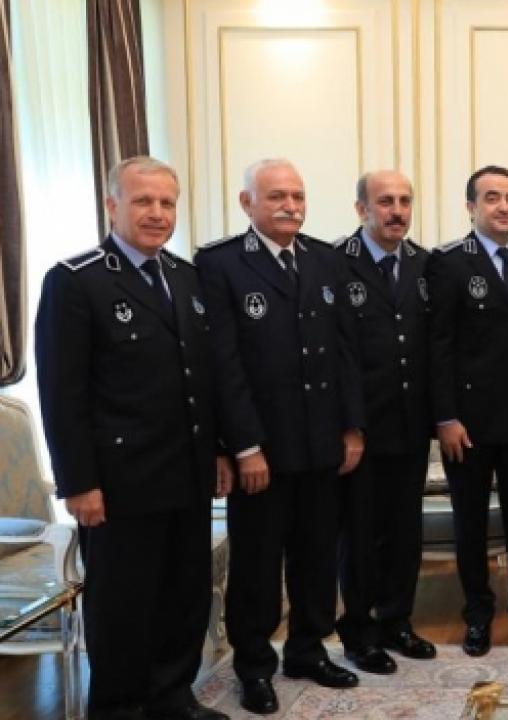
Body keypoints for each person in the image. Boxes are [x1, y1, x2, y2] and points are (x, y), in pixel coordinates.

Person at [34, 156, 231, 720]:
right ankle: (119, 708)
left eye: (167, 203)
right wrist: (78, 482)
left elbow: (203, 377)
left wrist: (218, 450)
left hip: (186, 473)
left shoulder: (185, 277)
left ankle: (172, 698)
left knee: (183, 596)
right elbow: (62, 393)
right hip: (120, 483)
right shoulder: (77, 280)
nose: (157, 213)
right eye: (143, 201)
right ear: (112, 205)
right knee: (122, 606)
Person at [195, 158, 366, 715]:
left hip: (321, 444)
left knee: (317, 558)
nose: (290, 206)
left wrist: (351, 427)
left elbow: (344, 351)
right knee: (258, 566)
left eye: (297, 195)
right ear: (247, 203)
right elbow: (223, 365)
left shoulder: (324, 259)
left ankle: (308, 651)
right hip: (262, 450)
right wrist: (243, 446)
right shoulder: (220, 265)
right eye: (276, 197)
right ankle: (253, 666)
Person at [427, 165, 508, 656]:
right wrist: (445, 417)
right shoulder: (448, 264)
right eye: (493, 197)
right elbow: (437, 347)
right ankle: (478, 616)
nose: (504, 206)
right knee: (472, 525)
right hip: (469, 424)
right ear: (471, 207)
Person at [332, 170, 436, 674]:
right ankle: (359, 632)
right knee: (360, 535)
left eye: (404, 201)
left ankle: (397, 621)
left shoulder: (424, 264)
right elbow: (335, 356)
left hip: (411, 424)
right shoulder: (334, 263)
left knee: (404, 531)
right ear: (362, 209)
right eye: (385, 201)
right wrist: (348, 426)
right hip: (362, 429)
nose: (397, 211)